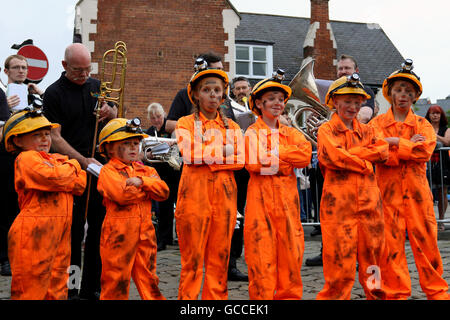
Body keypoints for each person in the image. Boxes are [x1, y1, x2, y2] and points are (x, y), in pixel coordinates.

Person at [370, 59, 450, 300]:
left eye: (408, 91)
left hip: (417, 195)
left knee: (427, 244)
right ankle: (395, 293)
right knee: (389, 247)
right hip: (386, 194)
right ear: (390, 93)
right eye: (398, 90)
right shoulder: (376, 124)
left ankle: (437, 293)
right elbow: (375, 152)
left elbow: (424, 152)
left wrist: (392, 145)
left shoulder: (423, 124)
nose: (402, 95)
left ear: (415, 96)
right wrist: (403, 145)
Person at [43, 43, 118, 300]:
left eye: (87, 70)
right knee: (73, 234)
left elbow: (115, 115)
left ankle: (91, 288)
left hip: (98, 168)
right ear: (64, 66)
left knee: (98, 230)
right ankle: (72, 288)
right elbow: (54, 137)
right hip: (70, 169)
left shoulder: (96, 86)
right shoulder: (53, 93)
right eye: (78, 71)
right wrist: (82, 160)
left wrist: (111, 111)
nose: (84, 75)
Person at [174, 58, 244, 299]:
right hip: (193, 198)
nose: (213, 95)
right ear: (195, 94)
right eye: (206, 90)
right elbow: (189, 155)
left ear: (223, 95)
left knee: (219, 259)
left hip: (224, 199)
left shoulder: (232, 127)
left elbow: (241, 159)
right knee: (192, 261)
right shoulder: (184, 123)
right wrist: (223, 151)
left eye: (217, 90)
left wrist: (209, 156)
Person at [315, 74, 388, 300]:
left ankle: (375, 296)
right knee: (339, 262)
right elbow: (333, 157)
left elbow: (383, 151)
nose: (353, 106)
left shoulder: (369, 130)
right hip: (338, 209)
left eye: (357, 102)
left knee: (373, 260)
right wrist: (366, 161)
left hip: (370, 206)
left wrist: (352, 155)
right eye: (347, 101)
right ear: (335, 102)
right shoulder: (326, 130)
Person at [3, 107, 86, 299]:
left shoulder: (56, 159)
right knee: (31, 291)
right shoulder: (26, 158)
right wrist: (74, 165)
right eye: (37, 135)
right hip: (33, 234)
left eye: (47, 134)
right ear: (18, 140)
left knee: (58, 289)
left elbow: (80, 184)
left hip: (59, 234)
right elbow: (54, 178)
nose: (45, 139)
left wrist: (68, 170)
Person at [244, 70, 312, 299]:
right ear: (260, 103)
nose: (277, 103)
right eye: (271, 98)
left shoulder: (291, 133)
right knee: (261, 263)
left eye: (281, 99)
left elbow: (304, 156)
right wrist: (285, 160)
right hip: (259, 206)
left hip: (288, 206)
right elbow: (254, 163)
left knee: (291, 261)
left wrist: (274, 153)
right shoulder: (251, 132)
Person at [305, 53, 376, 266]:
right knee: (329, 216)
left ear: (356, 71)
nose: (343, 71)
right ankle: (328, 250)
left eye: (347, 68)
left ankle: (355, 256)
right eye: (340, 69)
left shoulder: (366, 92)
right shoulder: (330, 92)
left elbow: (363, 115)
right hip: (331, 171)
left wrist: (335, 125)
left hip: (354, 172)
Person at [96, 117, 169, 300]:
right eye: (127, 143)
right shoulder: (108, 171)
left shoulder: (145, 171)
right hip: (118, 233)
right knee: (115, 281)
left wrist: (141, 183)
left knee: (150, 280)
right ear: (109, 147)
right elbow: (122, 196)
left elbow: (164, 192)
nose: (133, 148)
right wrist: (148, 189)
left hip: (145, 232)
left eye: (136, 143)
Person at [0, 55, 44, 276]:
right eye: (16, 67)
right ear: (6, 71)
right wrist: (5, 110)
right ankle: (5, 257)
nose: (21, 71)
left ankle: (25, 253)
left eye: (24, 67)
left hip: (32, 158)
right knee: (8, 207)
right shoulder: (1, 95)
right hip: (7, 159)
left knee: (27, 207)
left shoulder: (34, 96)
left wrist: (40, 94)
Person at [145, 102, 181, 251]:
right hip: (160, 174)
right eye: (153, 118)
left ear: (164, 114)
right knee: (164, 208)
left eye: (159, 117)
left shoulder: (170, 127)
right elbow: (144, 154)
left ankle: (180, 237)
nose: (157, 120)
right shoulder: (149, 132)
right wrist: (149, 154)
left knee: (179, 207)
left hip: (176, 172)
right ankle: (164, 239)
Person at [166, 52, 224, 134]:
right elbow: (169, 125)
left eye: (222, 69)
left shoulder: (224, 95)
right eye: (218, 69)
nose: (222, 73)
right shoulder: (184, 94)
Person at [425, 105, 450, 232]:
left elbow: (447, 141)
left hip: (442, 164)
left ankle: (441, 220)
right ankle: (430, 221)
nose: (435, 115)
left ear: (441, 115)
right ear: (428, 115)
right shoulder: (424, 127)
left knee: (442, 193)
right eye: (432, 113)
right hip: (428, 164)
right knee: (427, 194)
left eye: (437, 113)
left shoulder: (446, 129)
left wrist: (434, 135)